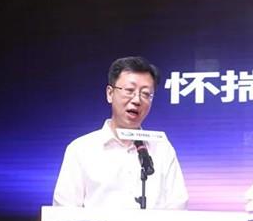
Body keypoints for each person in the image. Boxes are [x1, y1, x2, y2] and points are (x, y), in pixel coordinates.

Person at [52, 56, 189, 209]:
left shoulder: (162, 149)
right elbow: (64, 210)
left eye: (145, 94)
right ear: (110, 94)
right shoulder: (81, 150)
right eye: (129, 90)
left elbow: (178, 207)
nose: (137, 100)